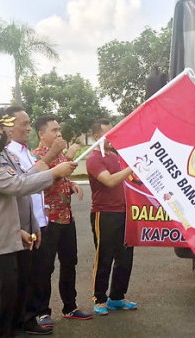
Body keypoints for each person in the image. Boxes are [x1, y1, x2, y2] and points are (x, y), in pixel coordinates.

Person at [0, 108, 76, 338]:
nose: (6, 132)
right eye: (1, 128)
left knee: (7, 311)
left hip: (3, 244)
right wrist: (54, 172)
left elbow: (20, 184)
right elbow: (16, 186)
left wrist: (21, 228)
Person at [3, 106, 67, 335]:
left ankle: (29, 319)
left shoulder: (24, 150)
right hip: (20, 225)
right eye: (24, 124)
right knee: (24, 277)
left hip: (36, 222)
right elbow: (24, 182)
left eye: (29, 123)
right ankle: (24, 320)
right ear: (8, 126)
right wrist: (53, 157)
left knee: (36, 273)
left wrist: (38, 219)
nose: (28, 128)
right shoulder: (9, 152)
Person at [32, 115, 92, 325]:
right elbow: (37, 182)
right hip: (48, 221)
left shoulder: (59, 158)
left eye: (59, 130)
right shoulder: (37, 158)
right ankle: (42, 312)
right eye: (54, 130)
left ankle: (70, 306)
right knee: (44, 267)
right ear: (41, 135)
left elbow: (62, 176)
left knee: (69, 263)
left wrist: (72, 185)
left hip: (67, 218)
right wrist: (63, 160)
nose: (59, 134)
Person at [86, 119, 138, 315]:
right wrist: (131, 167)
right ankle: (99, 298)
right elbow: (109, 181)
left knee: (125, 257)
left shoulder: (116, 156)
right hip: (104, 213)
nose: (113, 137)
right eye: (109, 134)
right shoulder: (93, 158)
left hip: (124, 213)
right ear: (97, 137)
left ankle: (117, 297)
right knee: (104, 257)